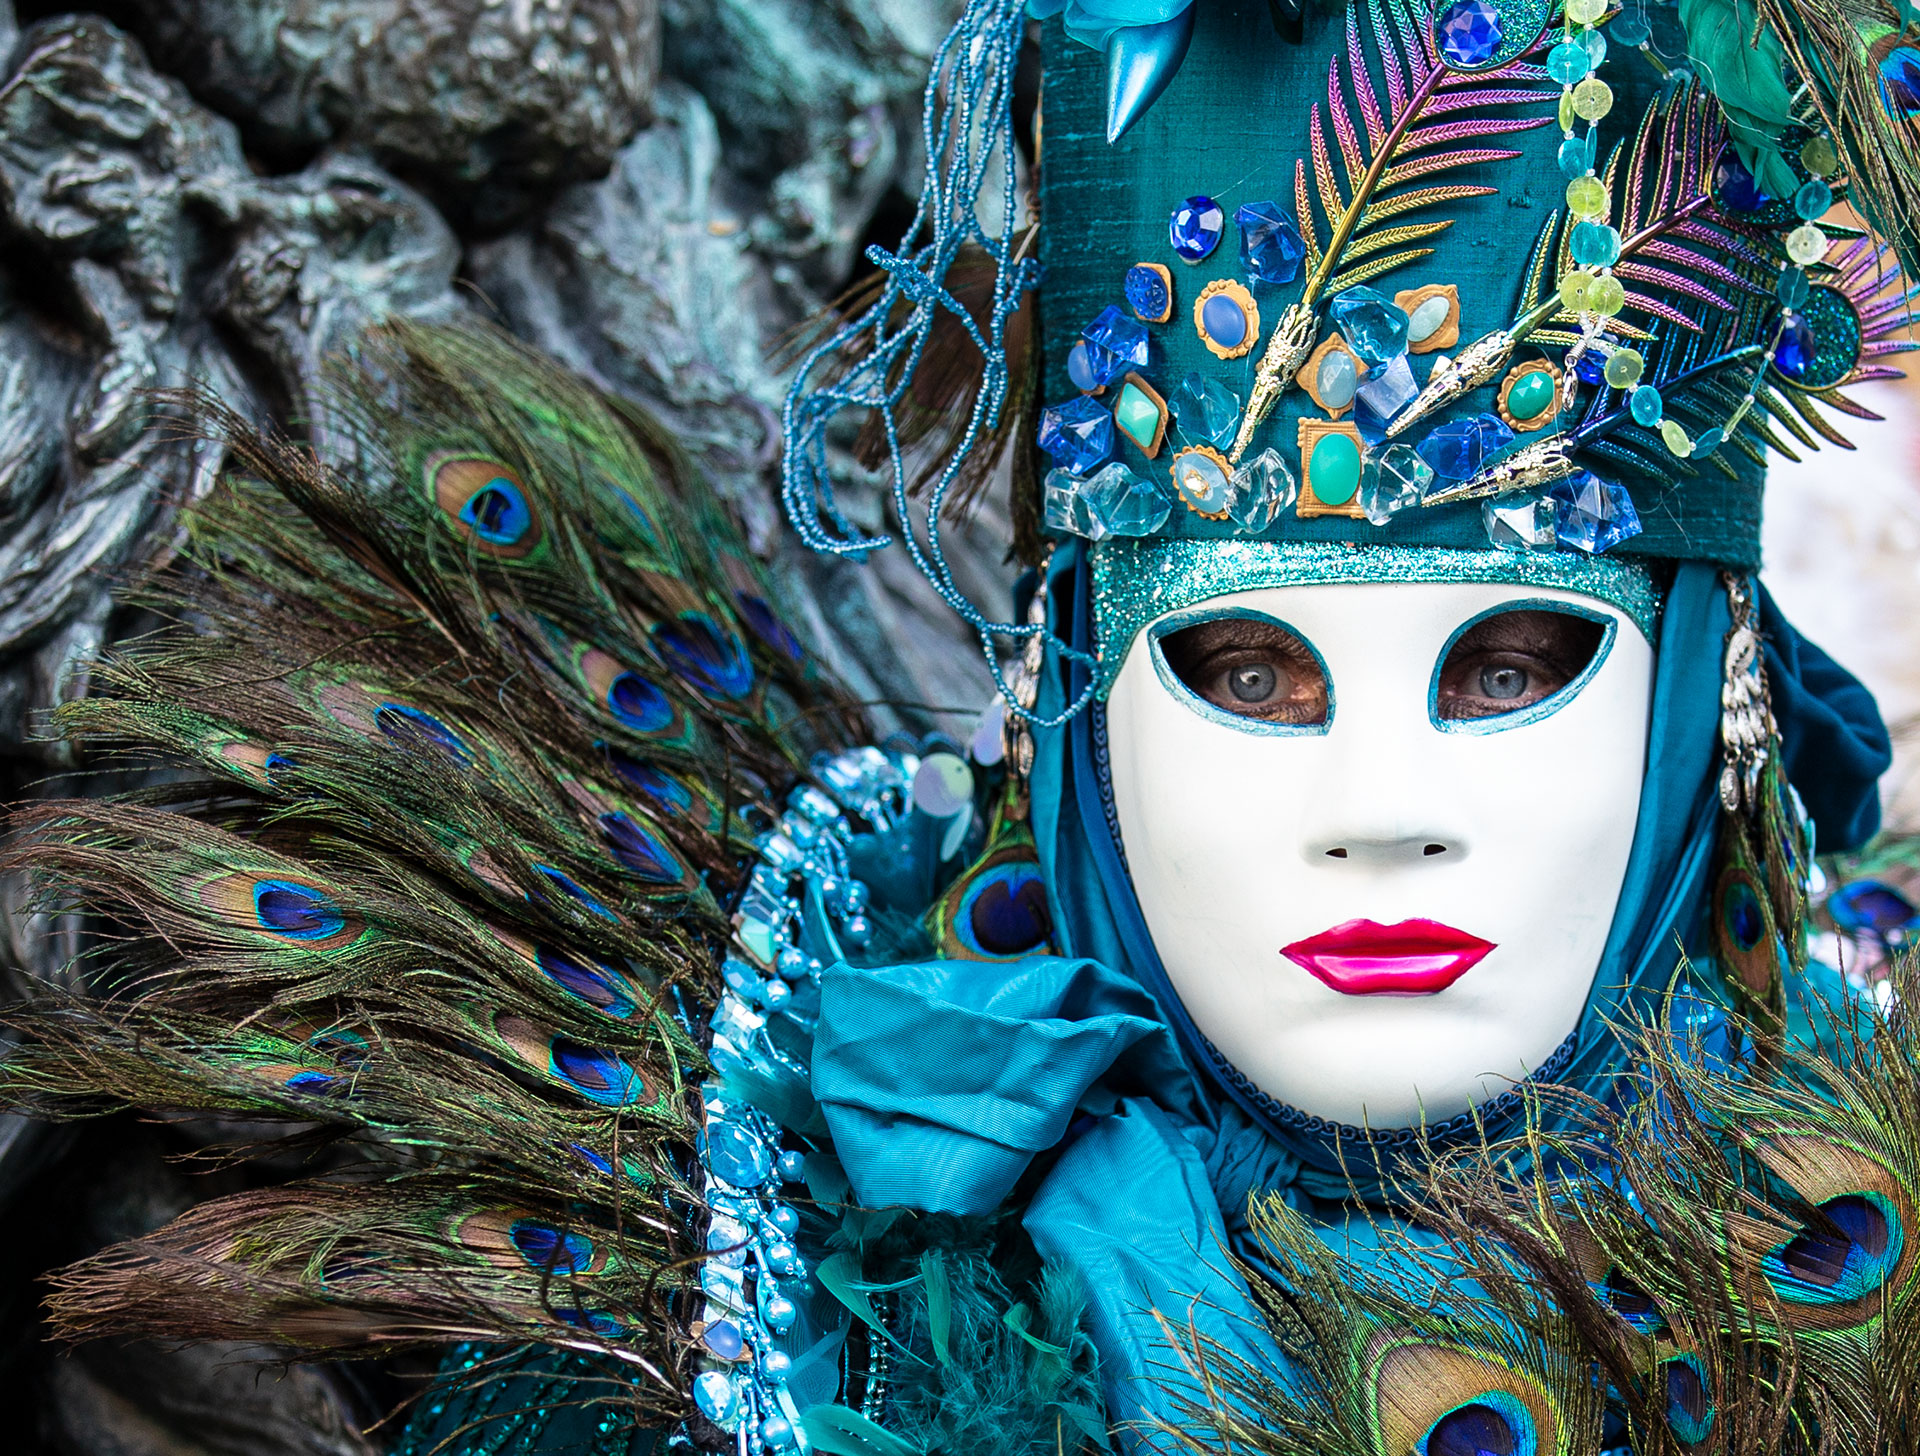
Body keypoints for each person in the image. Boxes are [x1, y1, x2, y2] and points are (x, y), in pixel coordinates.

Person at [3, 1, 1916, 1453]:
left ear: (1705, 714)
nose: (1378, 816)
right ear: (1067, 717)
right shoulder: (737, 1304)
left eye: (1509, 669)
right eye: (1246, 671)